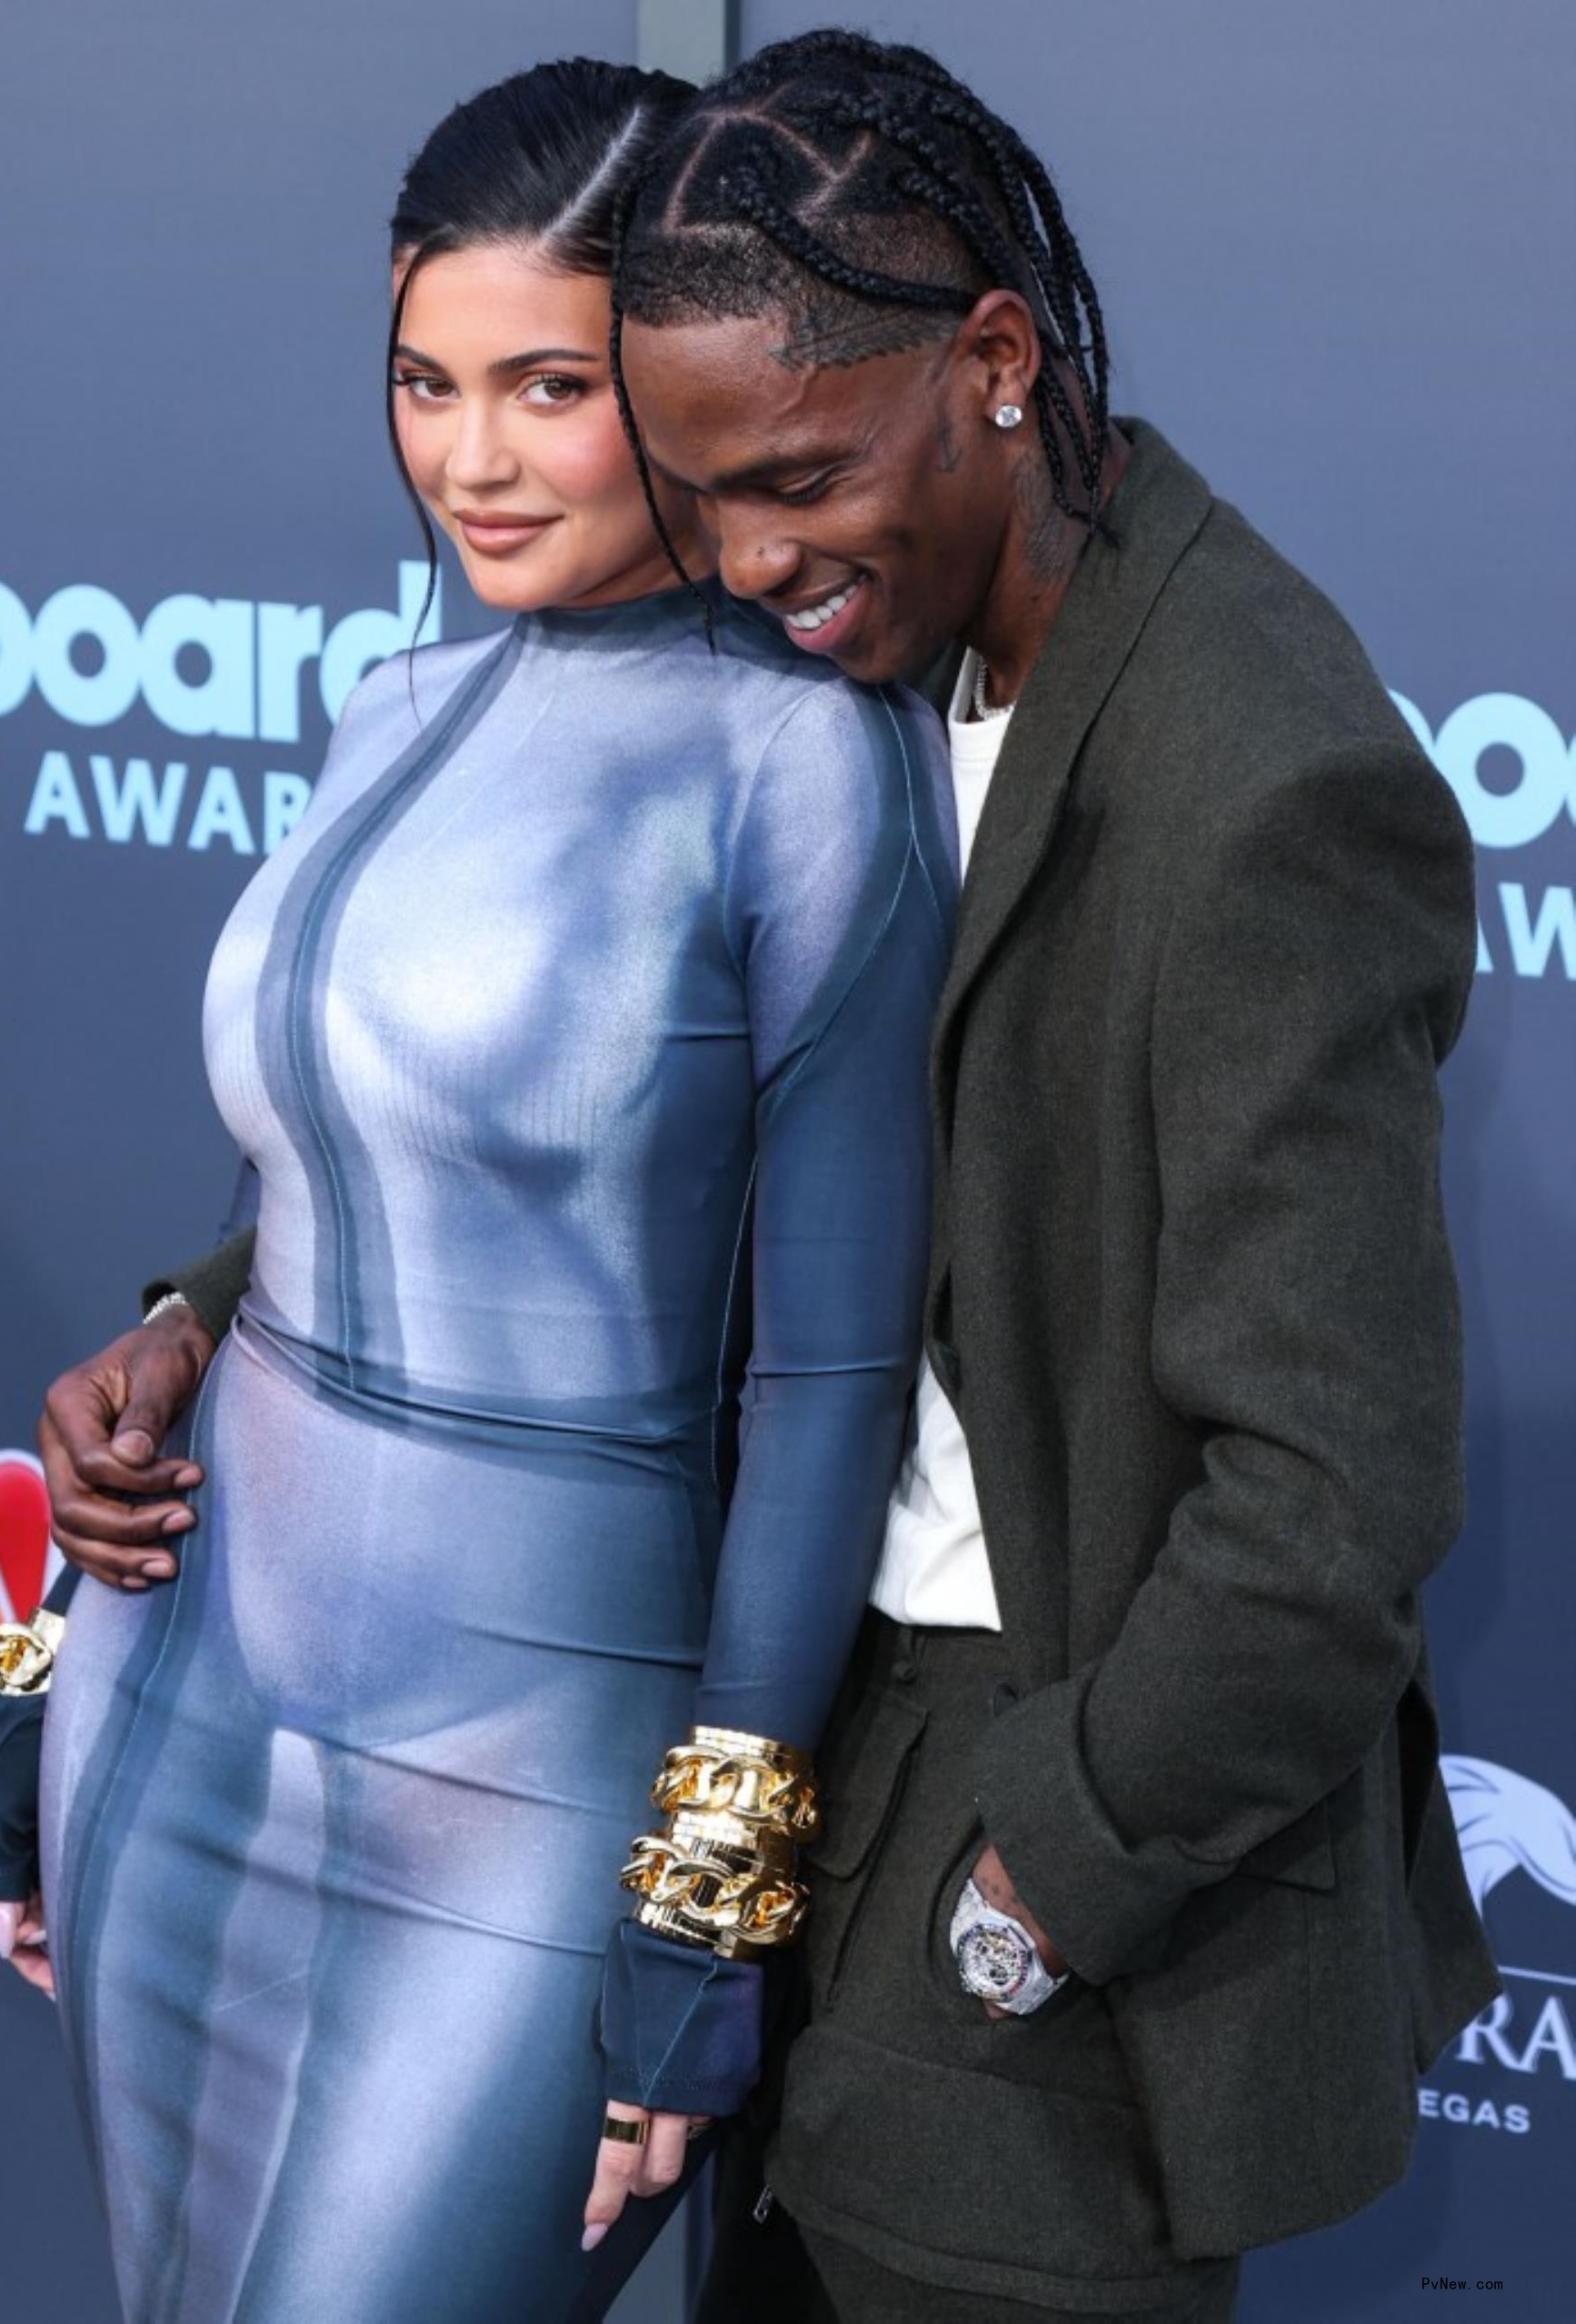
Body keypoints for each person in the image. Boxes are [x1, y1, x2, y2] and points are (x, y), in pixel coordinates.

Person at [0, 55, 954, 2324]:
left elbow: (822, 1388)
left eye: (548, 389)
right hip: (175, 1710)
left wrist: (705, 1906)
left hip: (525, 1798)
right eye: (424, 379)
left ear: (684, 387)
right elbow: (293, 1220)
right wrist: (34, 1682)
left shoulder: (812, 768)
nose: (470, 457)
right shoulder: (392, 705)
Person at [596, 28, 1495, 2324]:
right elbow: (606, 1114)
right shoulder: (861, 674)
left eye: (798, 475)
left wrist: (1042, 1882)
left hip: (1041, 1823)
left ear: (996, 359)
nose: (750, 558)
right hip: (787, 1735)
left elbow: (1329, 1501)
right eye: (697, 503)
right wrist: (216, 1301)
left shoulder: (1260, 777)